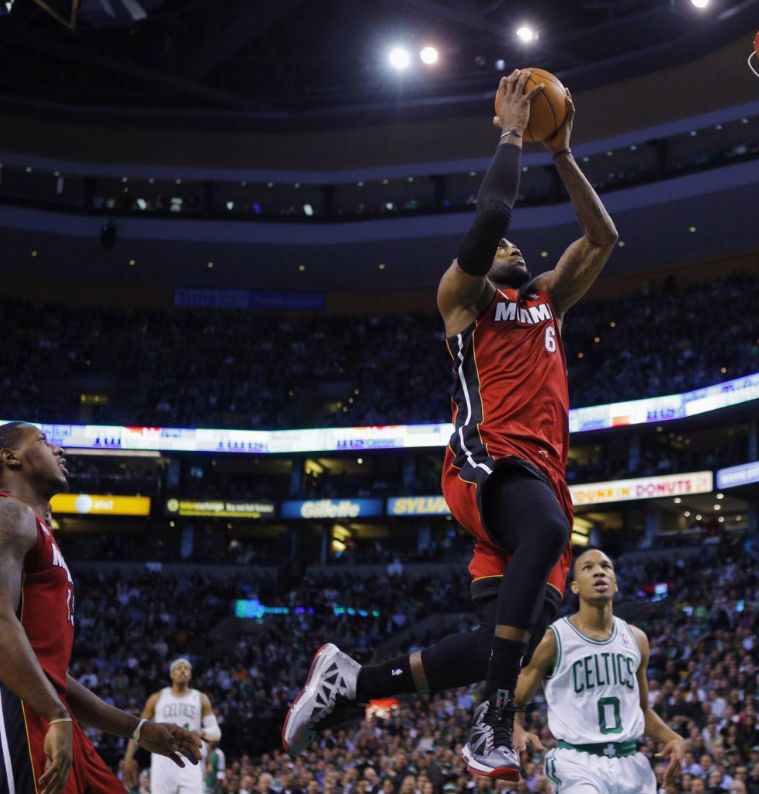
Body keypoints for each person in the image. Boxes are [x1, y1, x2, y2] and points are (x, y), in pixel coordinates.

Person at [282, 67, 619, 782]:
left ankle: (354, 682)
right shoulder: (462, 298)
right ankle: (496, 715)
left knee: (515, 640)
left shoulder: (548, 301)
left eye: (517, 249)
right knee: (551, 537)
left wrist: (560, 150)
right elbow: (493, 214)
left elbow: (604, 235)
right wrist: (510, 132)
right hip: (488, 458)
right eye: (502, 250)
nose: (513, 248)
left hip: (543, 480)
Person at [0, 421, 200, 794]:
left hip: (28, 695)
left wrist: (137, 728)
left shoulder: (27, 528)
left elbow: (47, 674)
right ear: (11, 457)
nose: (59, 450)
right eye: (43, 441)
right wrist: (52, 711)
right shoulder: (5, 514)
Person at [511, 548, 686, 794]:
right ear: (574, 587)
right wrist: (516, 727)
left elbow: (642, 711)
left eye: (605, 567)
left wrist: (674, 738)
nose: (598, 572)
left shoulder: (637, 639)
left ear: (615, 583)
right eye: (588, 568)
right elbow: (516, 699)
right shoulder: (554, 639)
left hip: (631, 762)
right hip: (577, 762)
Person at [122, 658, 221, 794]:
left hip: (190, 759)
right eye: (178, 668)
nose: (182, 671)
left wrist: (201, 732)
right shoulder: (157, 697)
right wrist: (128, 757)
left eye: (186, 668)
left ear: (190, 675)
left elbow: (216, 732)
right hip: (162, 757)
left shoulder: (200, 698)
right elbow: (138, 728)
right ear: (171, 674)